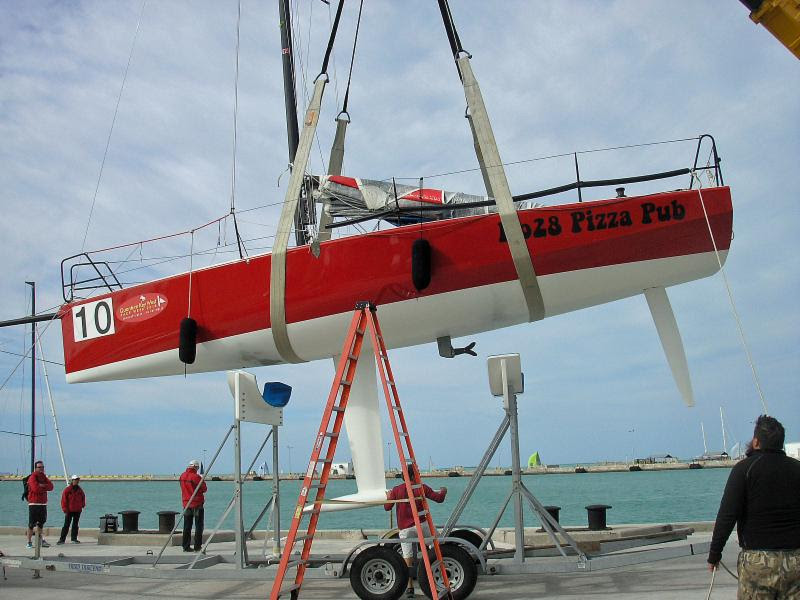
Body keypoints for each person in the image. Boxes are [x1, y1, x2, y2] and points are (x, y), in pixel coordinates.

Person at [707, 415, 800, 598]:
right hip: (796, 561)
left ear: (756, 442)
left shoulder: (744, 469)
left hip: (758, 561)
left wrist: (714, 554)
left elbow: (727, 515)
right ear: (781, 443)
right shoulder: (797, 468)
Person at [384, 464, 447, 598]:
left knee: (407, 558)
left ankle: (410, 587)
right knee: (438, 545)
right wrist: (443, 490)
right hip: (421, 525)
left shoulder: (396, 490)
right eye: (418, 473)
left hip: (405, 528)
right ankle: (436, 574)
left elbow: (387, 507)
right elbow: (439, 499)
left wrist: (389, 496)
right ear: (413, 475)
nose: (419, 474)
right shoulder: (421, 488)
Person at [179, 459, 207, 552]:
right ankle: (197, 546)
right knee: (199, 526)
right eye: (198, 467)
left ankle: (185, 546)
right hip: (197, 503)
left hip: (186, 503)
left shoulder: (182, 476)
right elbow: (204, 489)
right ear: (195, 467)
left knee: (187, 526)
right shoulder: (196, 477)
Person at [26, 460, 54, 549]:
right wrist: (43, 487)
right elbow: (35, 489)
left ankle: (40, 540)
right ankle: (29, 542)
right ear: (36, 468)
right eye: (39, 467)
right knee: (31, 524)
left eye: (42, 467)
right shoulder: (32, 477)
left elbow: (51, 486)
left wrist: (42, 485)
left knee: (41, 523)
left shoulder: (44, 477)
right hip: (33, 504)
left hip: (43, 503)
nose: (41, 469)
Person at [57, 475, 86, 545]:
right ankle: (62, 539)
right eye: (75, 480)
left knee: (75, 525)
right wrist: (64, 509)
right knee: (66, 525)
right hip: (69, 510)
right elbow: (63, 500)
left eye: (77, 480)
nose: (76, 481)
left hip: (77, 510)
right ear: (72, 480)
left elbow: (83, 497)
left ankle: (74, 539)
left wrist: (82, 505)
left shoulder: (80, 490)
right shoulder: (67, 489)